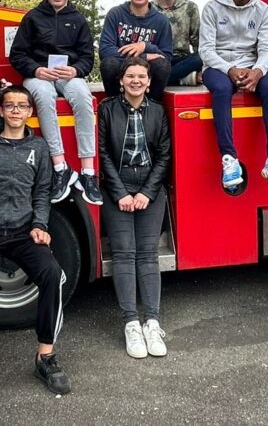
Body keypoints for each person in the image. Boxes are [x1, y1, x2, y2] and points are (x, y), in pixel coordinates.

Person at [0, 86, 71, 421]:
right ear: (0, 110)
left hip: (25, 232)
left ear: (29, 112)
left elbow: (42, 192)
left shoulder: (38, 147)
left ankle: (46, 357)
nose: (15, 111)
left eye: (22, 106)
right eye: (9, 105)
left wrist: (40, 224)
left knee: (53, 274)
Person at [98, 57, 172, 359]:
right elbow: (102, 152)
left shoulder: (158, 111)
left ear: (150, 81)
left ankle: (152, 322)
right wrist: (119, 193)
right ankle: (131, 323)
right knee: (124, 256)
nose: (136, 81)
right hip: (118, 186)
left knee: (149, 256)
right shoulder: (106, 109)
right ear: (121, 80)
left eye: (142, 76)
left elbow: (165, 155)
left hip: (149, 188)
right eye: (130, 76)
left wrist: (147, 192)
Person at [9, 0, 102, 205]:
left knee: (83, 95)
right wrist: (36, 70)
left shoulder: (78, 19)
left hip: (67, 74)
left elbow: (87, 59)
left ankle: (88, 172)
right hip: (39, 74)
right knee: (42, 95)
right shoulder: (32, 17)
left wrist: (76, 70)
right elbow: (17, 55)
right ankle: (61, 167)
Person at [199, 0, 268, 189]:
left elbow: (267, 49)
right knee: (221, 89)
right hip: (218, 65)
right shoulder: (212, 7)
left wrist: (258, 72)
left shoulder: (264, 11)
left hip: (252, 64)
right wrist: (230, 69)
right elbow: (206, 50)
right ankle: (229, 159)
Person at [100, 0, 173, 101]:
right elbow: (105, 50)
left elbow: (166, 57)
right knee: (109, 64)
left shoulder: (161, 21)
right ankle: (115, 105)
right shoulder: (115, 14)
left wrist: (146, 46)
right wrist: (144, 55)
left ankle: (152, 106)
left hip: (147, 72)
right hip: (120, 69)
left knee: (162, 66)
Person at [152, 0, 203, 86]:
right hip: (157, 59)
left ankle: (159, 80)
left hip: (182, 60)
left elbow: (197, 40)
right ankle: (182, 79)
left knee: (201, 57)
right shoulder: (150, 9)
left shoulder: (190, 7)